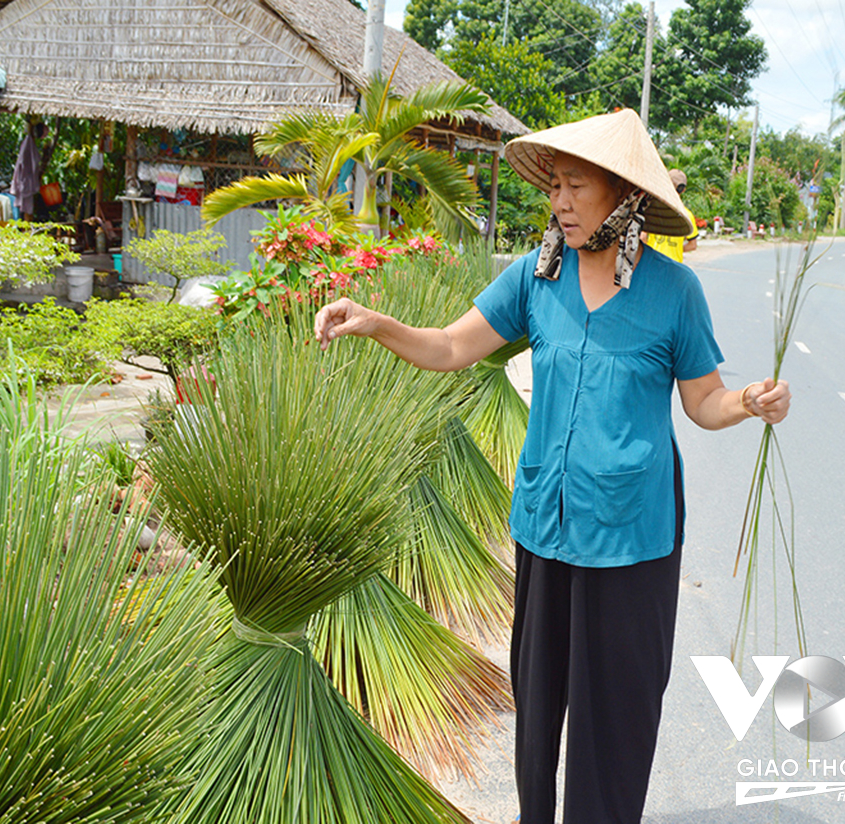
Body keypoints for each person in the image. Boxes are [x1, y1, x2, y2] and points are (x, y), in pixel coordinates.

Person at [313, 109, 790, 824]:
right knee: (537, 714)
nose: (560, 203)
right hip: (546, 528)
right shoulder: (535, 279)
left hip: (633, 539)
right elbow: (449, 347)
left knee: (617, 718)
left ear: (622, 195)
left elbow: (705, 402)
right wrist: (375, 322)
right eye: (555, 188)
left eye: (576, 187)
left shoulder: (671, 292)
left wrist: (750, 400)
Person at [642, 169, 698, 261]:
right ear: (683, 190)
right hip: (674, 265)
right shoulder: (687, 214)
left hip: (653, 261)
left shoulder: (654, 209)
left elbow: (643, 237)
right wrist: (678, 250)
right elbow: (693, 245)